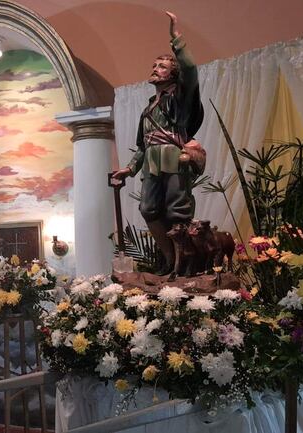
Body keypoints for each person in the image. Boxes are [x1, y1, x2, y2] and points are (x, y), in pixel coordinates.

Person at [112, 11, 204, 275]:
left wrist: (177, 40)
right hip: (151, 160)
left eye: (161, 66)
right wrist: (130, 169)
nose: (155, 69)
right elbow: (142, 145)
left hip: (174, 157)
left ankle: (186, 263)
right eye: (154, 66)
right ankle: (168, 258)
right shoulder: (148, 108)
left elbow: (190, 69)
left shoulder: (179, 98)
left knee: (177, 211)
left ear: (172, 75)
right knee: (149, 208)